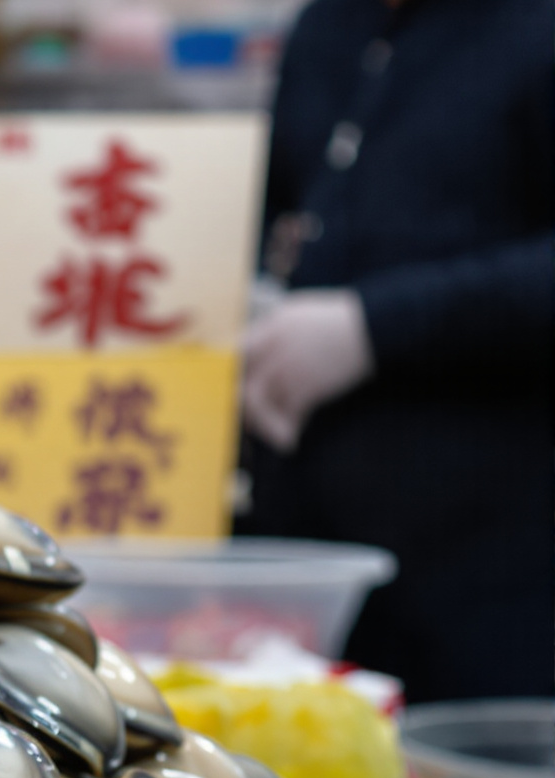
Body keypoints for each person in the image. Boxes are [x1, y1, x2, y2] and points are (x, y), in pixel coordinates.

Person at [240, 0, 552, 701]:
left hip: (494, 565)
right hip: (313, 549)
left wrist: (371, 327)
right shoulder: (326, 25)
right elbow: (284, 207)